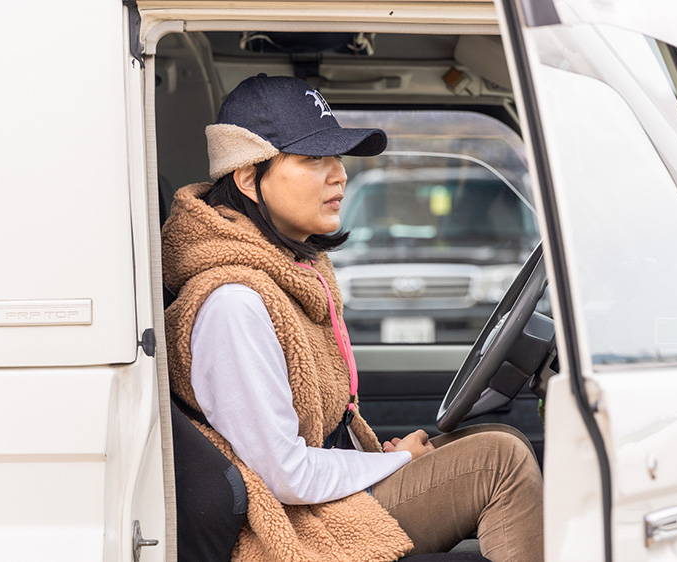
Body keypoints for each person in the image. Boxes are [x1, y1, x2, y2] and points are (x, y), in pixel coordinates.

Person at [162, 74, 543, 562]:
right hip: (293, 523)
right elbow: (285, 475)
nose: (339, 175)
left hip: (320, 503)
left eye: (337, 158)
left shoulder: (288, 279)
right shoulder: (234, 305)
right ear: (248, 178)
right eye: (313, 159)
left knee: (500, 437)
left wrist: (381, 460)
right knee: (499, 463)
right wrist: (395, 462)